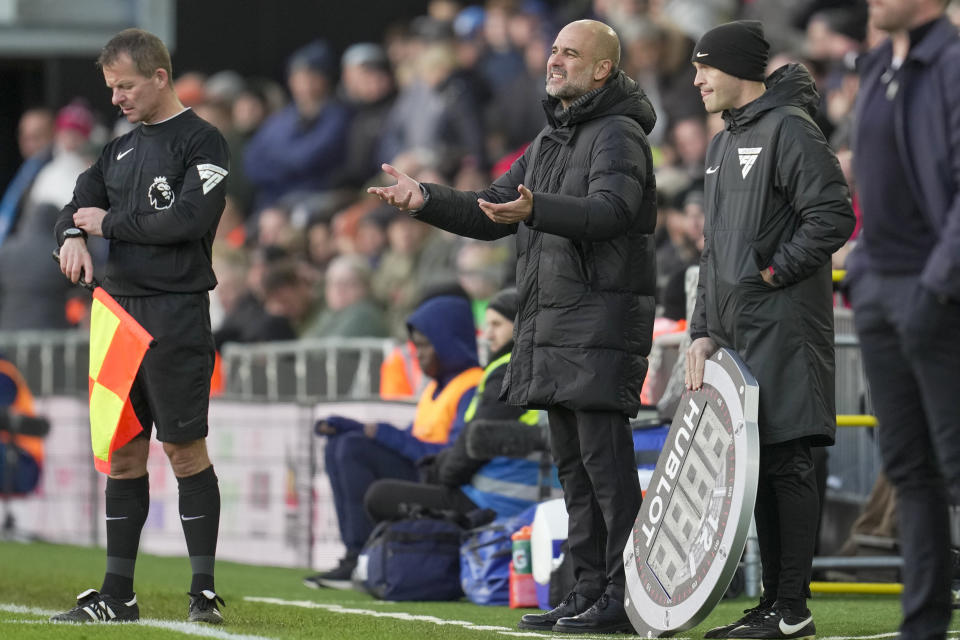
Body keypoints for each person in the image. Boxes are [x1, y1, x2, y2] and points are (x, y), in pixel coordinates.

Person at [369, 19, 656, 634]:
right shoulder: (552, 137)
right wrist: (426, 200)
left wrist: (538, 209)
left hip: (598, 322)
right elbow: (492, 210)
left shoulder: (618, 134)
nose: (555, 61)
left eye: (571, 54)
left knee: (607, 472)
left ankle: (626, 597)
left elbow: (614, 211)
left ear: (603, 69)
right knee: (575, 472)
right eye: (553, 50)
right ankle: (586, 592)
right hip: (553, 325)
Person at [684, 21, 855, 639]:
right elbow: (711, 252)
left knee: (787, 462)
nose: (697, 79)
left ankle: (792, 608)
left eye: (706, 67)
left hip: (784, 327)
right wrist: (703, 329)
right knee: (756, 466)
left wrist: (777, 271)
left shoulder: (789, 129)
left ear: (740, 71)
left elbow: (835, 214)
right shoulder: (721, 143)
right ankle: (772, 606)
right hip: (736, 336)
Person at [51, 28, 229, 624]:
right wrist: (74, 233)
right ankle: (116, 595)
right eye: (110, 88)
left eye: (124, 86)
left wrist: (107, 226)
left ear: (159, 77)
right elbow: (76, 203)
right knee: (123, 455)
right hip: (117, 318)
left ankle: (203, 592)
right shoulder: (118, 150)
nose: (116, 98)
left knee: (183, 450)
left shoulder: (204, 141)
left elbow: (187, 218)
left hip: (175, 314)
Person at [845, 1, 960, 639]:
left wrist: (935, 288)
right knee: (909, 469)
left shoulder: (949, 63)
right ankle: (924, 629)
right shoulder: (879, 68)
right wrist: (864, 275)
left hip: (935, 293)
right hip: (881, 289)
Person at [305, 294, 482, 589]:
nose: (419, 354)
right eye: (416, 346)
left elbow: (451, 453)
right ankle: (354, 555)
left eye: (426, 345)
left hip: (444, 481)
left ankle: (361, 555)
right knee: (341, 442)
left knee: (353, 449)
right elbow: (414, 439)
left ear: (449, 342)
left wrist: (380, 432)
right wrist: (357, 427)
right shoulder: (436, 388)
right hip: (423, 471)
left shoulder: (472, 385)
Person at [364, 287, 553, 524]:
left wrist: (440, 472)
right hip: (513, 495)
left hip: (495, 501)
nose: (487, 335)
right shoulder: (541, 367)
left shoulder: (510, 372)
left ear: (522, 326)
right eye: (487, 325)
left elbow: (473, 446)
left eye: (497, 325)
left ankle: (368, 557)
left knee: (379, 496)